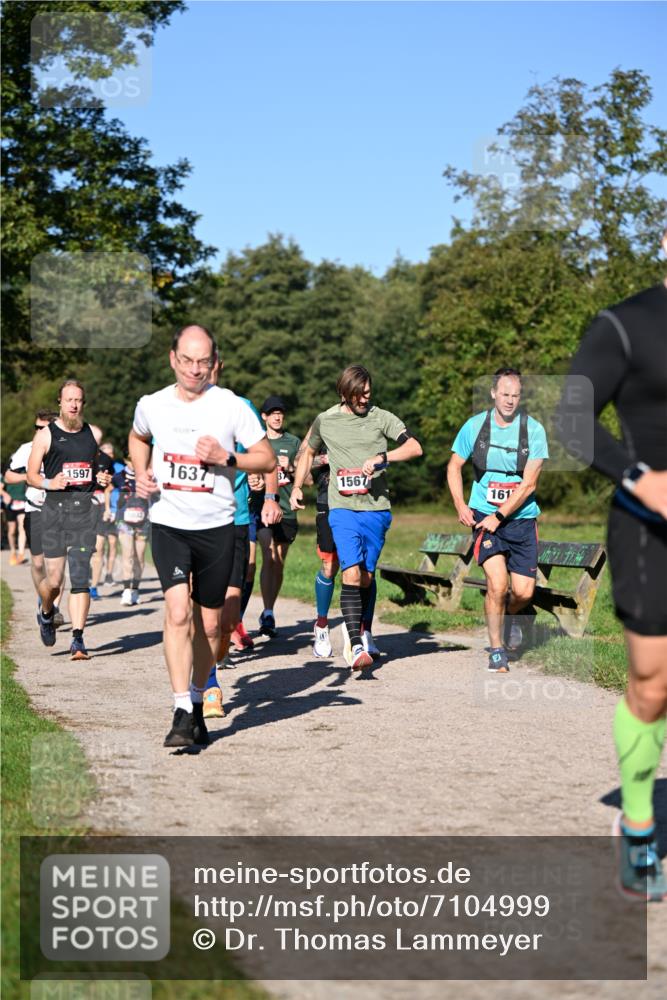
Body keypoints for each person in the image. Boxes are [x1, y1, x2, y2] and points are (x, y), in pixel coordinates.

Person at [558, 245, 667, 901]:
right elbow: (571, 419)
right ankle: (636, 822)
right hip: (648, 530)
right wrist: (640, 479)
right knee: (652, 687)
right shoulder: (623, 323)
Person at [130, 324, 276, 748]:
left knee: (211, 626)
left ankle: (196, 701)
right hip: (170, 524)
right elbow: (138, 438)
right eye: (187, 360)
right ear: (173, 359)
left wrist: (226, 457)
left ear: (213, 363)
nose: (195, 369)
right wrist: (141, 472)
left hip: (217, 527)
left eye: (203, 361)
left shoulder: (231, 407)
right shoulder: (152, 405)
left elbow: (266, 458)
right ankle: (179, 710)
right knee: (177, 613)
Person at [291, 365, 422, 669]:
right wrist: (298, 486)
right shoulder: (326, 419)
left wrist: (383, 458)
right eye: (359, 394)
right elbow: (307, 453)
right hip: (342, 508)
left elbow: (415, 447)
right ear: (344, 393)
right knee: (349, 571)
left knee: (366, 576)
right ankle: (355, 643)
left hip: (376, 509)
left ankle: (364, 631)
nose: (365, 398)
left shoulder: (381, 417)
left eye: (368, 392)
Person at [447, 368, 549, 673]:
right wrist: (461, 505)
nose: (510, 400)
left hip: (520, 520)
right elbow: (454, 466)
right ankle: (496, 650)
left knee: (523, 593)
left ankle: (505, 621)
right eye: (505, 394)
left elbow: (529, 484)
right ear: (493, 393)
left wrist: (500, 515)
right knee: (498, 584)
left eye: (515, 395)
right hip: (483, 517)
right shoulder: (475, 426)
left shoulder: (533, 431)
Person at [27, 381, 111, 660]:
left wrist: (102, 477)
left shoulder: (92, 434)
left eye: (78, 400)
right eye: (69, 400)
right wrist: (51, 482)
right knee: (54, 580)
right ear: (60, 403)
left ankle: (78, 639)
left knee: (80, 577)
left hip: (84, 512)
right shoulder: (46, 436)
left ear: (83, 404)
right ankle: (46, 610)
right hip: (54, 512)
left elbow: (97, 466)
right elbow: (31, 476)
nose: (74, 404)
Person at [299, 434, 378, 658]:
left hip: (364, 503)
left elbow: (384, 459)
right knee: (330, 565)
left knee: (366, 571)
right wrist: (323, 459)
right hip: (330, 502)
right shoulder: (326, 423)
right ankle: (322, 626)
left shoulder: (369, 424)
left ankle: (365, 631)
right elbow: (301, 459)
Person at [252, 395, 301, 638]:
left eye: (280, 412)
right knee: (268, 555)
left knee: (279, 561)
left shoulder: (293, 442)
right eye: (272, 413)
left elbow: (307, 479)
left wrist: (291, 468)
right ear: (264, 417)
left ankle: (268, 609)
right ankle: (268, 612)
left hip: (287, 511)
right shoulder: (256, 441)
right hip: (261, 508)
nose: (277, 416)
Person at [113, 458, 149, 606]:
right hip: (124, 521)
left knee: (139, 557)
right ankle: (126, 590)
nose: (133, 463)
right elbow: (107, 489)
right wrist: (109, 509)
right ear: (126, 460)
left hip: (143, 521)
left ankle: (135, 589)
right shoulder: (119, 476)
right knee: (128, 554)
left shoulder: (147, 475)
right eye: (130, 460)